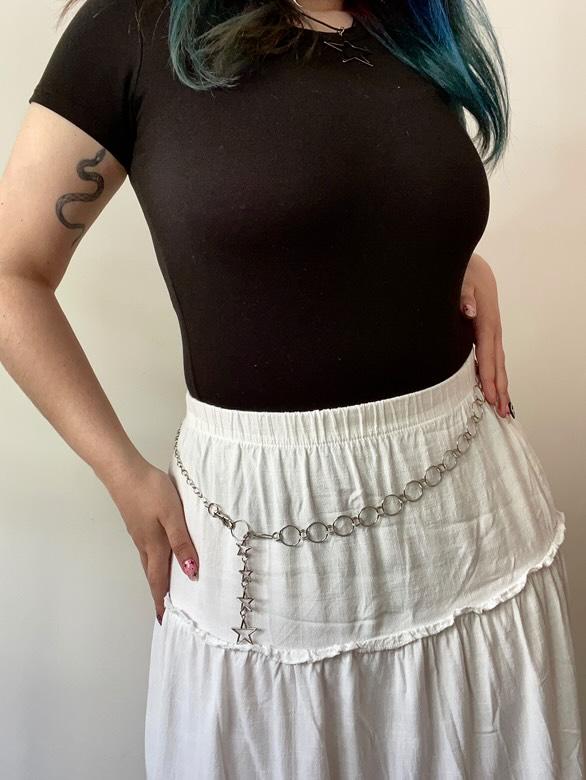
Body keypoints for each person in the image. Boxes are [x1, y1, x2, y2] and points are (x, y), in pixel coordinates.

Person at [1, 0, 583, 777]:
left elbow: (367, 193)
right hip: (257, 544)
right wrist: (124, 475)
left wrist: (451, 260)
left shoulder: (410, 17)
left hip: (471, 521)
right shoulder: (133, 28)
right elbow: (11, 274)